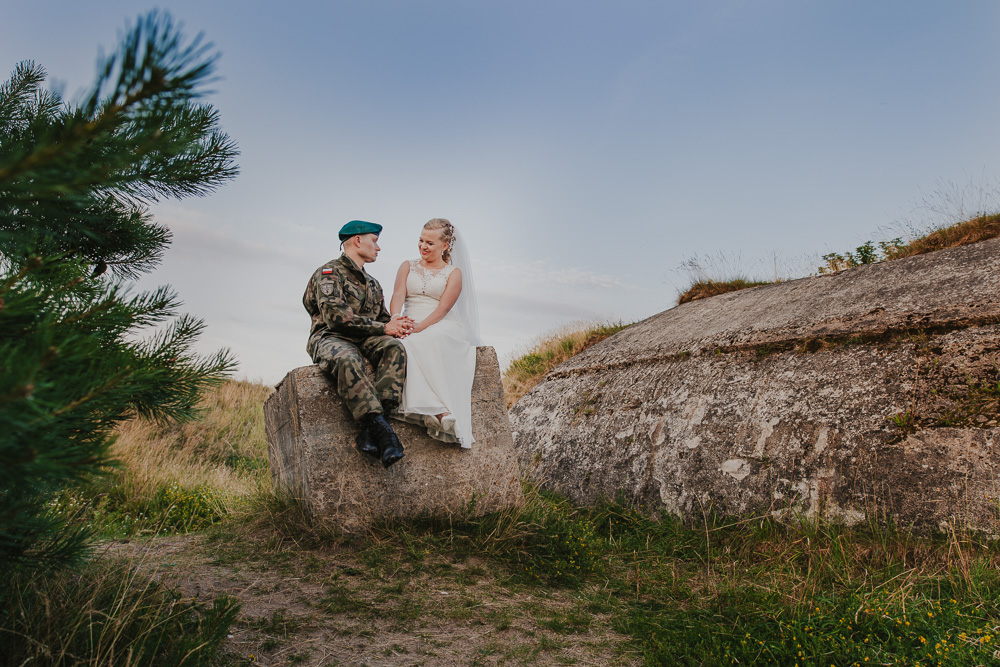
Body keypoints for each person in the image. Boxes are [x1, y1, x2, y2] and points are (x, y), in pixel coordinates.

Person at [302, 220, 414, 468]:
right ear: (357, 240)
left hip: (365, 338)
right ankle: (384, 433)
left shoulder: (372, 283)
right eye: (374, 240)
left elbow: (383, 320)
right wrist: (384, 327)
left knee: (393, 348)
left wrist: (400, 325)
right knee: (347, 358)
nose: (378, 247)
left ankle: (373, 427)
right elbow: (336, 318)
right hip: (330, 336)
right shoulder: (329, 273)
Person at [389, 218, 481, 448]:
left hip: (438, 322)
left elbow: (443, 309)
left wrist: (419, 327)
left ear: (446, 245)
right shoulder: (407, 265)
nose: (423, 246)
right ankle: (437, 410)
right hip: (408, 319)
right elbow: (398, 294)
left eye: (430, 242)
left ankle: (440, 409)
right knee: (404, 345)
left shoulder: (454, 273)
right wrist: (396, 318)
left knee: (426, 339)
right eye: (421, 240)